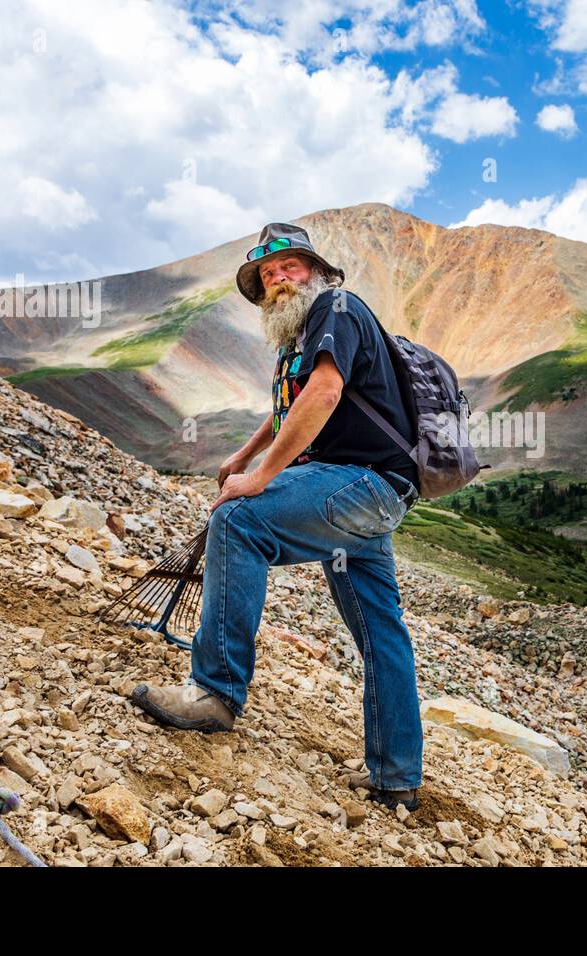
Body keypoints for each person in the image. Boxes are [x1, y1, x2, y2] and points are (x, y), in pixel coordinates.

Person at [132, 222, 425, 810]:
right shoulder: (299, 336)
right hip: (375, 495)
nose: (277, 279)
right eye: (267, 275)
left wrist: (261, 480)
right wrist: (245, 455)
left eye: (287, 266)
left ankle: (214, 692)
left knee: (238, 522)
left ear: (314, 270)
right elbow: (288, 405)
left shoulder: (336, 308)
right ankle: (397, 777)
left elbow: (323, 393)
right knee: (380, 631)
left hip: (357, 484)